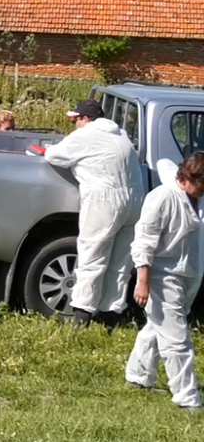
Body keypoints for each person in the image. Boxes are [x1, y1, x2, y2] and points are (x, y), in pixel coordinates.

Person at [44, 99, 144, 328]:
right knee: (120, 263)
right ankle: (112, 318)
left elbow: (54, 155)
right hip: (135, 201)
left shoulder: (86, 134)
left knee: (92, 258)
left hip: (105, 202)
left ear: (86, 119)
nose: (75, 125)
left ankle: (82, 318)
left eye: (76, 120)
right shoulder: (121, 135)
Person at [126, 155, 204, 410]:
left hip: (190, 272)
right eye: (200, 187)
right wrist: (143, 280)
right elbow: (144, 239)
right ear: (183, 179)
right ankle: (187, 397)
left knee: (158, 326)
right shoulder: (162, 197)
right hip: (162, 274)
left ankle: (138, 376)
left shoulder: (198, 194)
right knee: (176, 338)